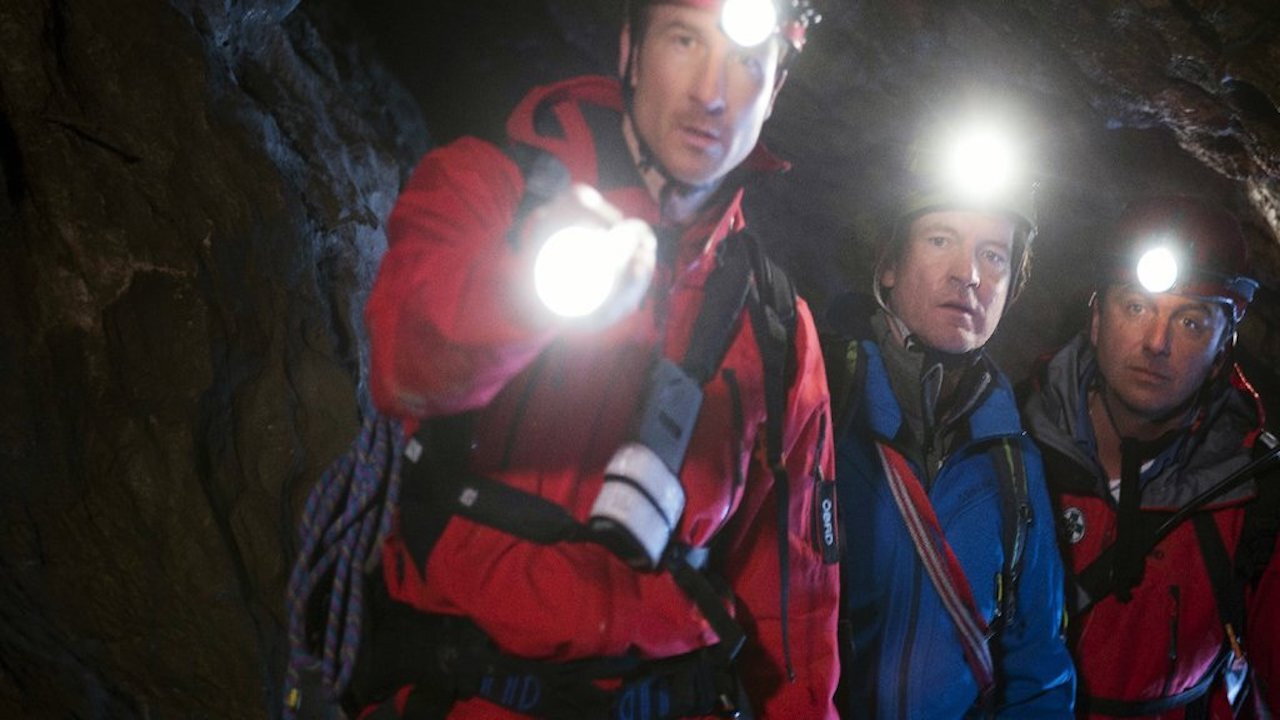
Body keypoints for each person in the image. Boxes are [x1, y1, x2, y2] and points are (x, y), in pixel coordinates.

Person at [356, 1, 839, 718]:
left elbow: (793, 609)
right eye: (684, 41)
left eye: (746, 62)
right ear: (631, 52)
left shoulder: (776, 327)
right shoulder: (491, 192)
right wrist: (529, 291)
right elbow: (406, 363)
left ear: (774, 92)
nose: (710, 93)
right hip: (462, 693)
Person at [822, 140, 1076, 717]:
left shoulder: (1014, 463)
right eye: (940, 240)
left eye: (994, 256)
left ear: (1011, 289)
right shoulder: (821, 407)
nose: (969, 274)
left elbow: (1037, 670)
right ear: (888, 264)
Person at [1020, 195, 1280, 718]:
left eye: (1190, 323)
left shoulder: (1256, 495)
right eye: (1136, 308)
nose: (1156, 343)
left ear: (1222, 349)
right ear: (1097, 319)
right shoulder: (1006, 444)